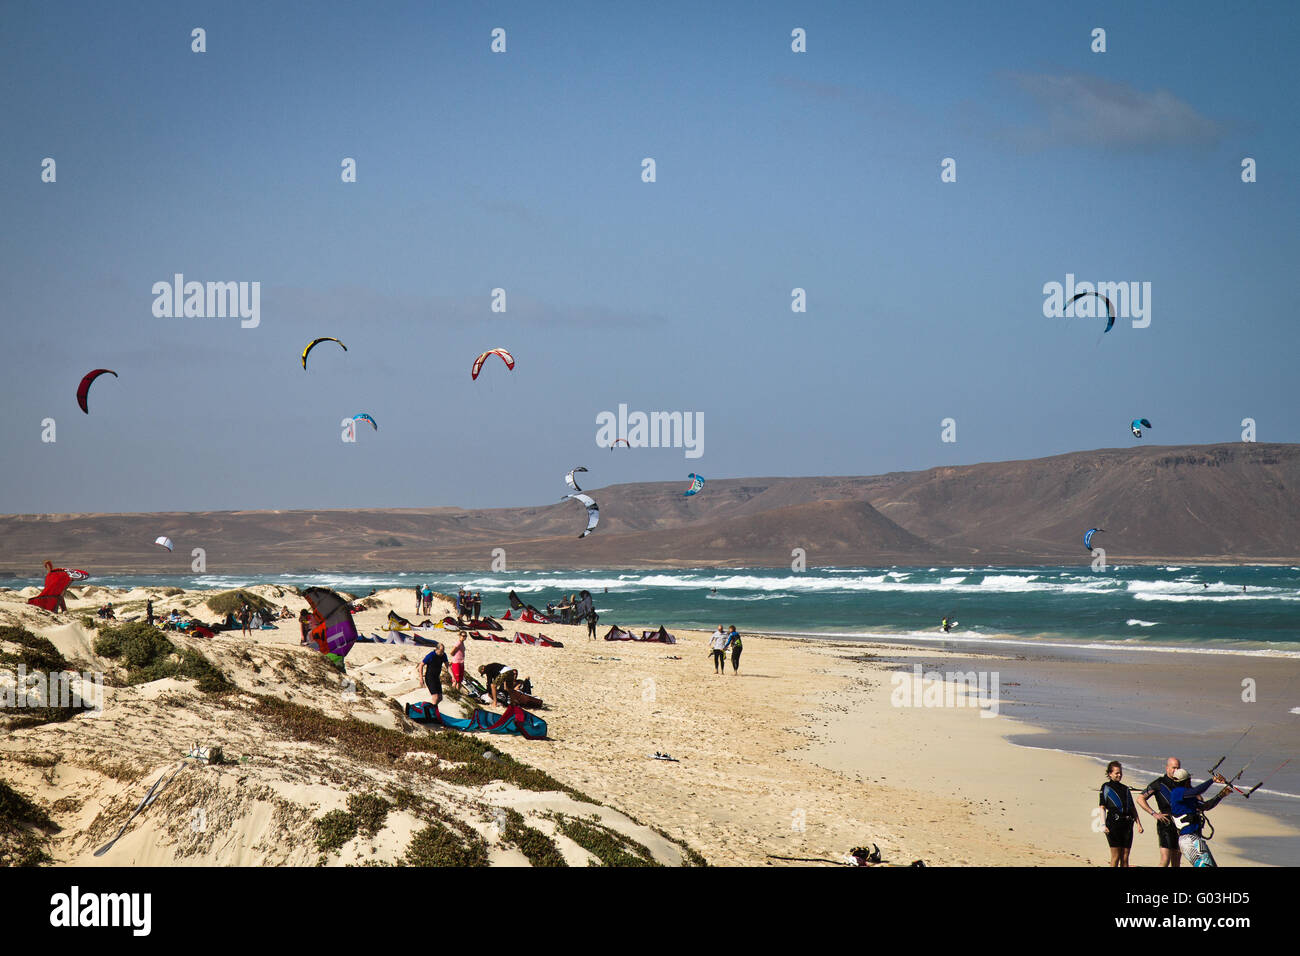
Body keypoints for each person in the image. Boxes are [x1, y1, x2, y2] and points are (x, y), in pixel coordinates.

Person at [1168, 768, 1232, 867]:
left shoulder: (1188, 797)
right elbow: (1196, 791)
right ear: (1186, 781)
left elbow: (1206, 806)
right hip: (1189, 839)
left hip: (1193, 839)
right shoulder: (1177, 792)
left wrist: (1221, 795)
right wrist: (1212, 780)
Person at [1136, 757, 1184, 867]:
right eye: (1173, 768)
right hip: (1165, 823)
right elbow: (1140, 798)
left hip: (1181, 824)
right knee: (1165, 859)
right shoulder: (1159, 783)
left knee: (1176, 862)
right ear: (1167, 768)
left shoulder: (1182, 783)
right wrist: (1154, 813)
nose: (1176, 770)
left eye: (1178, 768)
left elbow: (1197, 797)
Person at [1099, 761, 1142, 867]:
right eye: (1116, 773)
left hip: (1127, 825)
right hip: (1113, 824)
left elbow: (1132, 807)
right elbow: (1102, 807)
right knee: (1116, 856)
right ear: (1110, 774)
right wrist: (1103, 824)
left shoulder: (1125, 788)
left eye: (1120, 773)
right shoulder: (1106, 787)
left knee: (1125, 857)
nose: (1119, 775)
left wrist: (1138, 824)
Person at [417, 642, 450, 709]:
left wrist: (453, 676)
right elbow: (421, 665)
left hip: (436, 677)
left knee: (440, 698)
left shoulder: (443, 655)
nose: (442, 653)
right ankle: (432, 711)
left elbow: (448, 666)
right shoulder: (431, 655)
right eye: (441, 651)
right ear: (436, 649)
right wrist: (421, 678)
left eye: (443, 651)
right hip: (429, 677)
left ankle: (431, 708)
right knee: (435, 697)